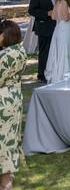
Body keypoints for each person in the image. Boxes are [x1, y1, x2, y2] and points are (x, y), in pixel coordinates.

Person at [0, 20, 26, 190]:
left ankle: (5, 183)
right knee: (10, 140)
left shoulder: (5, 56)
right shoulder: (21, 51)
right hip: (15, 98)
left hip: (3, 102)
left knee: (3, 143)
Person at [27, 0, 58, 84]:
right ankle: (42, 75)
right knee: (44, 52)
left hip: (58, 26)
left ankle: (54, 72)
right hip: (44, 26)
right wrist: (46, 13)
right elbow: (31, 10)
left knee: (56, 50)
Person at [44, 0, 70, 83]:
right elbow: (66, 18)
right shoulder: (64, 2)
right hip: (64, 29)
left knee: (58, 51)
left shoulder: (57, 1)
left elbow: (53, 16)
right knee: (65, 50)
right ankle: (64, 73)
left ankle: (58, 73)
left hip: (58, 28)